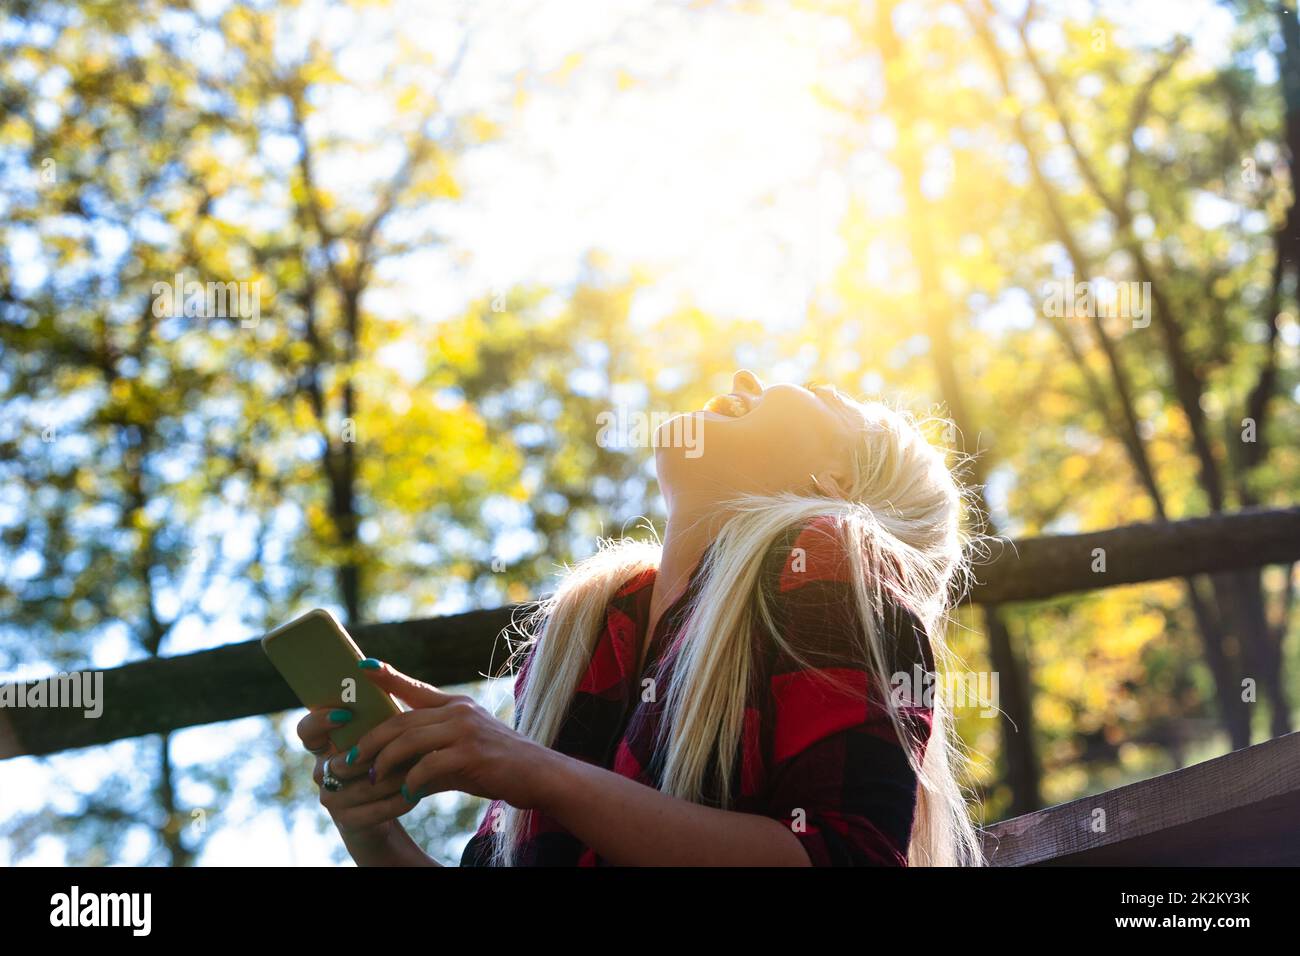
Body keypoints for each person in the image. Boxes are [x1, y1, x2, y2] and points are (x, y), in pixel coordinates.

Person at [297, 369, 983, 866]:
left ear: (835, 487)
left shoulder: (826, 561)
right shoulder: (582, 633)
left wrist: (533, 771)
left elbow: (845, 859)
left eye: (818, 395)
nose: (744, 375)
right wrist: (373, 831)